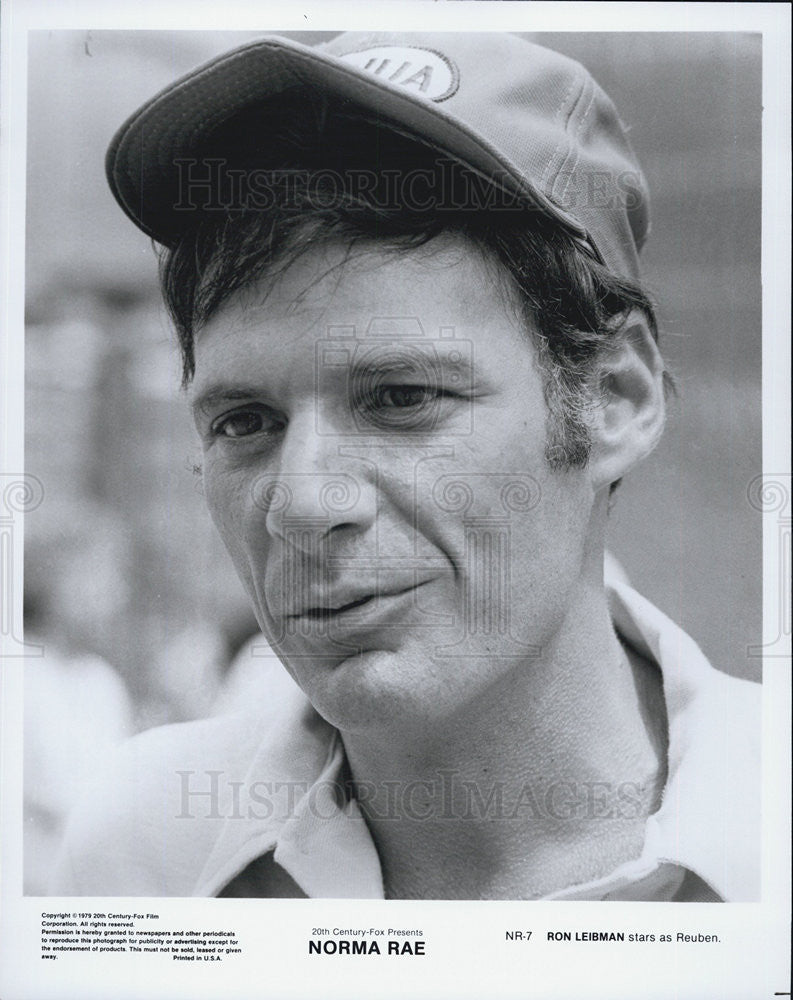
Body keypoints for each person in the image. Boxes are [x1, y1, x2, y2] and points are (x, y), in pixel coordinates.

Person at [52, 31, 760, 901]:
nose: (302, 503)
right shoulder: (144, 852)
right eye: (244, 422)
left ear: (614, 397)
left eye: (400, 398)